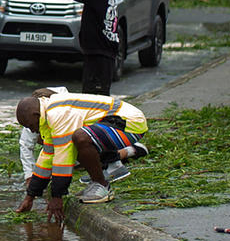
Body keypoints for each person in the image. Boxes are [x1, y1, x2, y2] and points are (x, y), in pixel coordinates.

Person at [14, 89, 149, 223]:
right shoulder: (47, 116)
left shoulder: (58, 114)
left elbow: (63, 158)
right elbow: (47, 157)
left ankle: (102, 185)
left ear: (36, 114)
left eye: (31, 125)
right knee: (77, 141)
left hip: (128, 124)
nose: (32, 130)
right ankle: (98, 180)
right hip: (112, 123)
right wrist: (30, 196)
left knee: (80, 138)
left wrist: (57, 196)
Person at [62, 0, 130, 182]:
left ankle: (111, 164)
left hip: (100, 57)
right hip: (98, 55)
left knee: (95, 113)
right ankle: (103, 162)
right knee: (94, 112)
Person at [61, 0, 119, 95]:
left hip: (100, 54)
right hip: (97, 53)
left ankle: (99, 120)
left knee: (95, 102)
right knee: (92, 99)